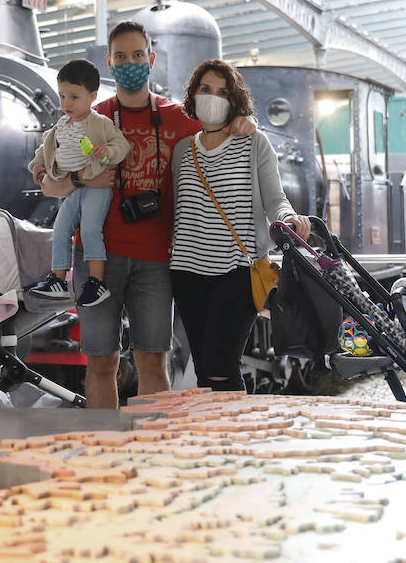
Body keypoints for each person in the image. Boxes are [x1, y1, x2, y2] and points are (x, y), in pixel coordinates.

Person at [32, 21, 256, 409]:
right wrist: (78, 178)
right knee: (101, 362)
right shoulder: (91, 117)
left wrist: (246, 123)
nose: (130, 63)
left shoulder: (177, 118)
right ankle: (105, 453)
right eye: (121, 56)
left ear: (151, 59)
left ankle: (152, 452)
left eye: (138, 55)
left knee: (153, 360)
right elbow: (46, 180)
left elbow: (221, 126)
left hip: (155, 259)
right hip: (97, 257)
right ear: (109, 62)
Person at [170, 60, 310, 390]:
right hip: (187, 271)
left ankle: (235, 437)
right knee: (204, 368)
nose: (213, 97)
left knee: (221, 366)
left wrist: (288, 219)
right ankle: (215, 438)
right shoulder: (182, 151)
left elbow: (276, 198)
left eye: (222, 91)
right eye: (206, 89)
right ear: (193, 94)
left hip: (236, 270)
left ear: (234, 100)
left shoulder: (254, 143)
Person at [27, 60, 130, 307]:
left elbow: (122, 145)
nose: (66, 103)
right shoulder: (59, 128)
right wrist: (39, 166)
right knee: (61, 229)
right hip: (74, 187)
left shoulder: (101, 123)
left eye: (74, 96)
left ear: (92, 96)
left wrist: (108, 151)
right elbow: (45, 150)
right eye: (62, 96)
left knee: (91, 229)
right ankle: (58, 280)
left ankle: (97, 282)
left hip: (97, 186)